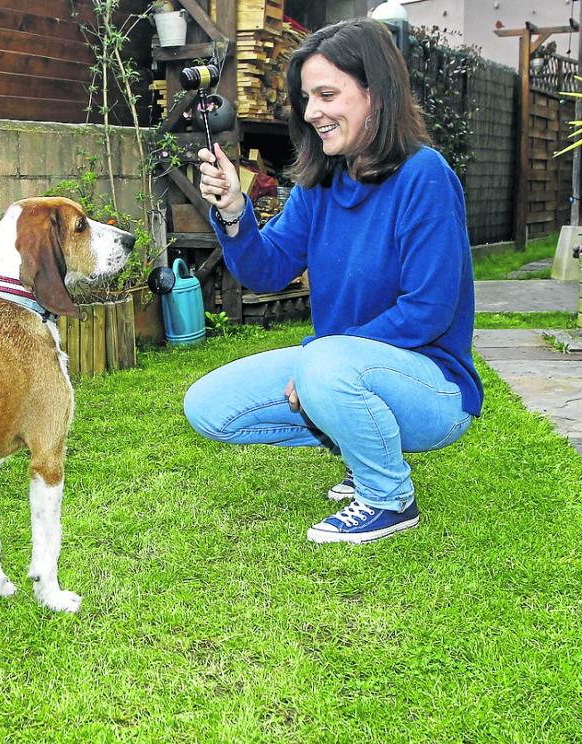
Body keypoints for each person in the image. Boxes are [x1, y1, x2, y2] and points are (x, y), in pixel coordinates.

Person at [183, 17, 482, 544]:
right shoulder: (320, 182)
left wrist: (327, 360)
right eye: (306, 97)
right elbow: (267, 269)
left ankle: (388, 497)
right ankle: (359, 439)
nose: (313, 111)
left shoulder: (424, 175)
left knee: (323, 361)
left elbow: (429, 310)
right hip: (340, 367)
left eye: (328, 94)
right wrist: (233, 211)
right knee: (208, 407)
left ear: (376, 93)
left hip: (433, 389)